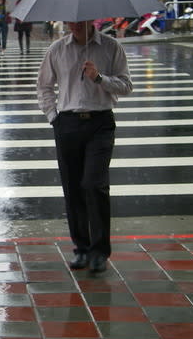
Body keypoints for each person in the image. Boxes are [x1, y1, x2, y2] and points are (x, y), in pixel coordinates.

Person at [37, 20, 132, 273]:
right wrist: (53, 117)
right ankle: (81, 247)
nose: (73, 25)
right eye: (70, 21)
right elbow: (44, 86)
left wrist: (99, 78)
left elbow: (126, 85)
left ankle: (100, 250)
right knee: (73, 187)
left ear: (91, 20)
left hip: (100, 123)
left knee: (94, 184)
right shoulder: (57, 49)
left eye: (79, 21)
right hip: (67, 123)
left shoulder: (111, 48)